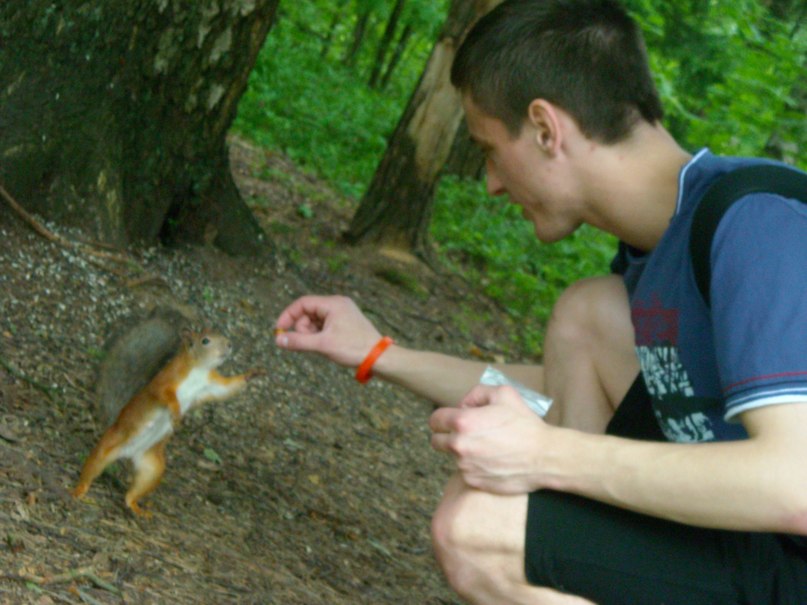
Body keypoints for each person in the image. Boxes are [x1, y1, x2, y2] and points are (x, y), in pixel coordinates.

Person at [275, 0, 807, 602]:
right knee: (589, 315)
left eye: (489, 149)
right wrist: (378, 353)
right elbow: (549, 394)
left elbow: (796, 484)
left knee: (477, 530)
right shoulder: (655, 256)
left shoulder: (760, 224)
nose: (493, 182)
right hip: (748, 548)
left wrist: (545, 455)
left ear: (546, 128)